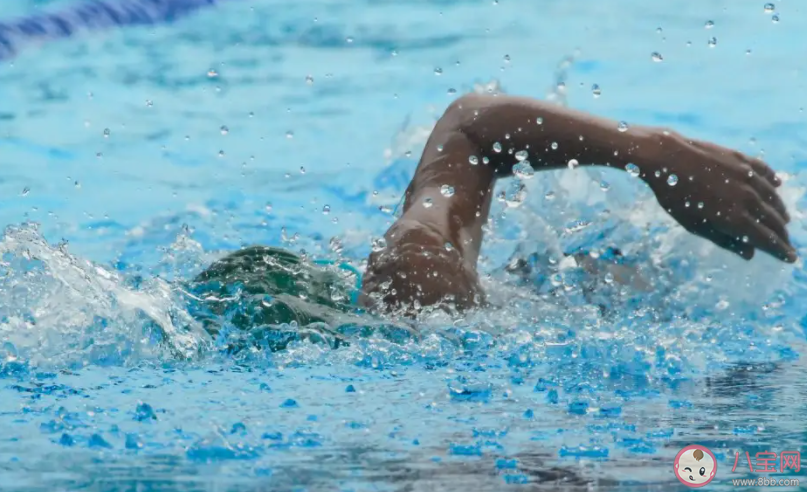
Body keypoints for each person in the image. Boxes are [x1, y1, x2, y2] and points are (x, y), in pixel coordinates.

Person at [190, 93, 795, 345]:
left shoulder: (414, 301)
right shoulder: (416, 281)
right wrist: (652, 151)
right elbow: (472, 126)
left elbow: (473, 131)